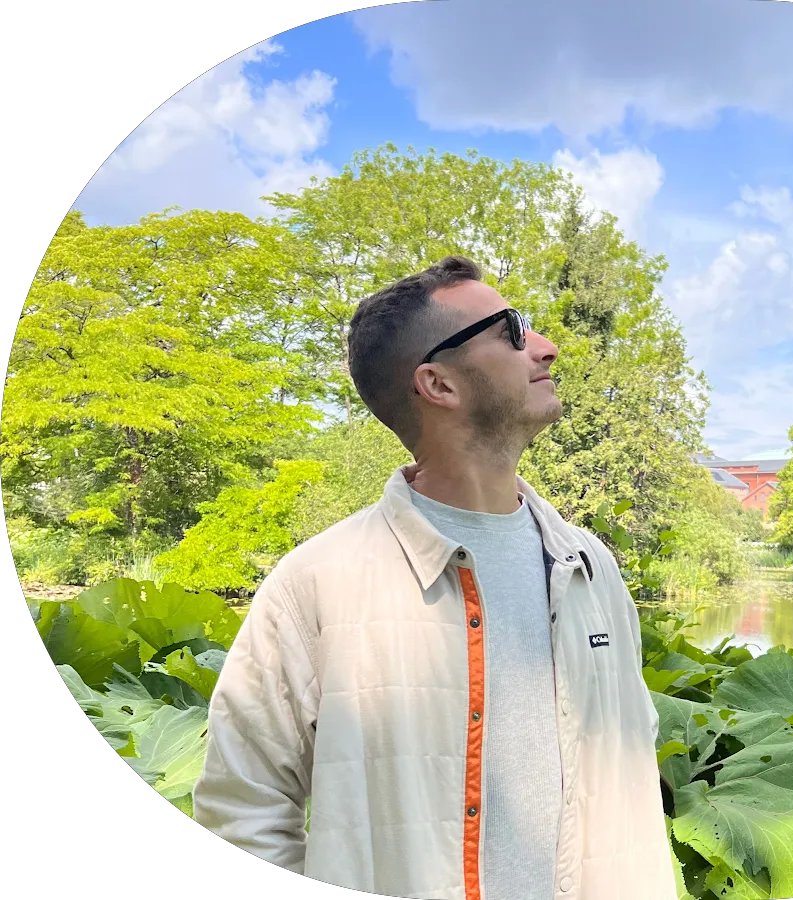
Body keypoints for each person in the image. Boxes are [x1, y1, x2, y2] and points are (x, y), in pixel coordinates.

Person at [192, 256, 678, 900]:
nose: (546, 347)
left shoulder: (590, 566)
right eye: (513, 330)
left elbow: (632, 758)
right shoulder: (316, 584)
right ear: (439, 384)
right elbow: (242, 809)